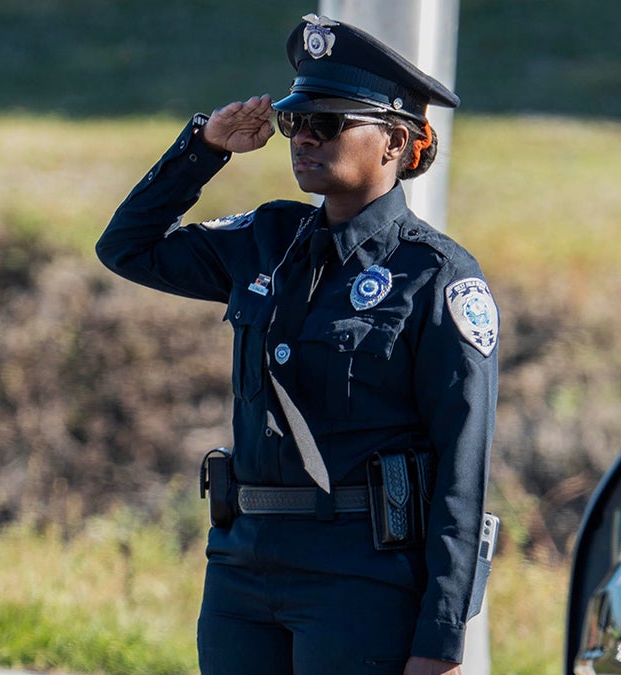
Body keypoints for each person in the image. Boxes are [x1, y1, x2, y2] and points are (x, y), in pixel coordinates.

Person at [95, 12, 498, 675]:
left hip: (360, 582)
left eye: (329, 123)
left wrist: (441, 641)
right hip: (242, 571)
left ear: (396, 142)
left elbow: (464, 470)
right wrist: (205, 147)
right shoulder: (267, 239)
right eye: (294, 121)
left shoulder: (437, 277)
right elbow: (127, 248)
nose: (303, 137)